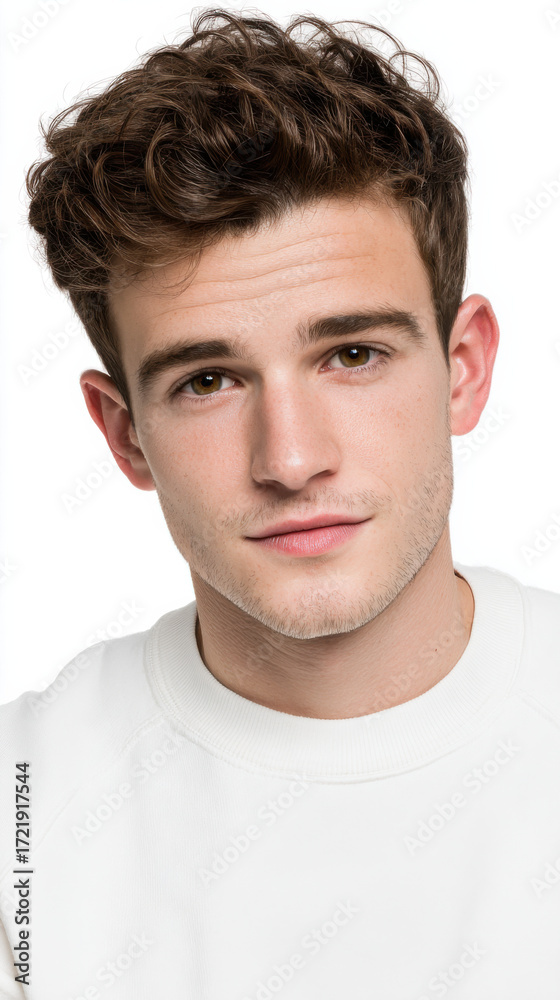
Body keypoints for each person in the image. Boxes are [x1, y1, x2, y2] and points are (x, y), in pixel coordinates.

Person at [0, 8, 559, 998]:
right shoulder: (22, 806)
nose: (290, 458)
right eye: (207, 380)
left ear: (463, 369)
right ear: (124, 433)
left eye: (351, 354)